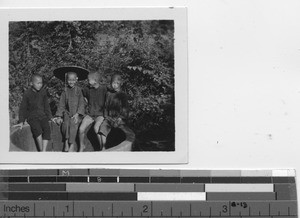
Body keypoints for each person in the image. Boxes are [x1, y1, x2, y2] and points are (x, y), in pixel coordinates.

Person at [17, 74, 52, 152]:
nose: (40, 85)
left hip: (42, 116)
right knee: (37, 130)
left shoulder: (43, 92)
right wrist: (21, 121)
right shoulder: (27, 93)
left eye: (41, 83)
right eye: (38, 83)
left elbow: (46, 105)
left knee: (47, 129)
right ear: (32, 83)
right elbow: (23, 108)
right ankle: (40, 150)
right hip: (32, 117)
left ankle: (44, 151)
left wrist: (50, 117)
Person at [54, 72, 85, 152]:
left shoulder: (78, 90)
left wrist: (78, 114)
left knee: (73, 125)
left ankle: (71, 144)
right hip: (67, 113)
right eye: (69, 80)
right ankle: (66, 141)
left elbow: (81, 103)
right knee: (65, 124)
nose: (71, 82)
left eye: (73, 80)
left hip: (76, 114)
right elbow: (61, 104)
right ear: (67, 80)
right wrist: (59, 116)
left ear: (76, 80)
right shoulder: (65, 90)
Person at [99, 74, 129, 150]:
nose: (115, 85)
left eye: (117, 83)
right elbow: (105, 106)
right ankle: (103, 147)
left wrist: (121, 118)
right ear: (111, 83)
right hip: (109, 118)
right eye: (113, 83)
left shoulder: (123, 95)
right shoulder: (109, 94)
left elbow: (125, 108)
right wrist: (105, 116)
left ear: (120, 83)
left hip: (119, 118)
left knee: (118, 131)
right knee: (102, 128)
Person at [78, 72, 107, 151]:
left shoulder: (103, 89)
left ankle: (102, 147)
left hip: (100, 115)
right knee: (81, 129)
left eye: (88, 80)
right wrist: (85, 101)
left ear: (95, 81)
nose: (87, 81)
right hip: (90, 115)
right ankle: (81, 146)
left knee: (96, 128)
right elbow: (82, 95)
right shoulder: (87, 89)